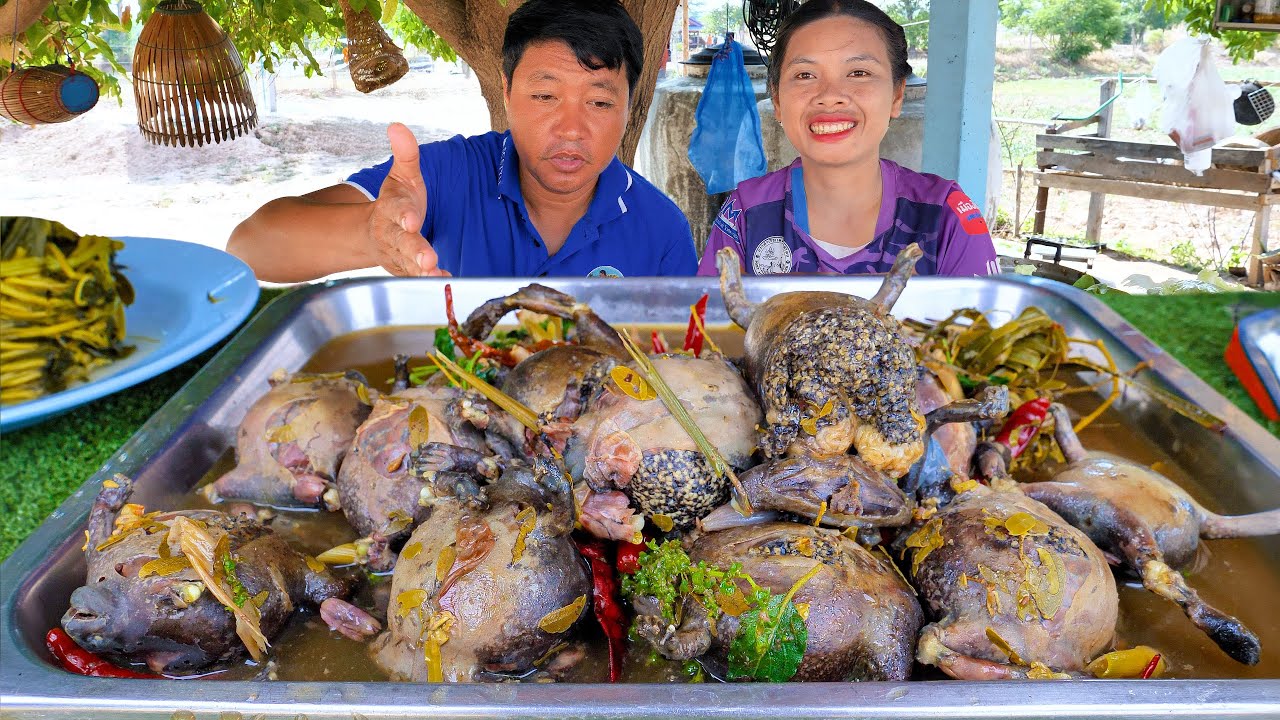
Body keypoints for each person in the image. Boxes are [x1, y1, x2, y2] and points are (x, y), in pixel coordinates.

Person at [228, 0, 697, 281]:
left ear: (630, 106)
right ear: (507, 92)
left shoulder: (662, 231)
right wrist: (371, 235)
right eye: (545, 95)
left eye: (598, 102)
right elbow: (249, 246)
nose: (571, 128)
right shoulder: (449, 176)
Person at [696, 0, 998, 277]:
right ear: (776, 99)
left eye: (858, 72)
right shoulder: (747, 214)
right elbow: (707, 329)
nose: (830, 97)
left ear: (897, 94)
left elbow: (982, 331)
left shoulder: (943, 216)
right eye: (805, 75)